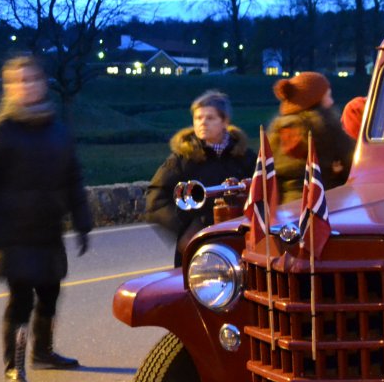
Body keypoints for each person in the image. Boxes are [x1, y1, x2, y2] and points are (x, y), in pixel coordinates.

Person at [0, 55, 93, 382]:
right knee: (21, 301)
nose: (26, 86)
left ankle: (43, 352)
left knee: (50, 293)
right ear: (7, 88)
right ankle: (14, 368)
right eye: (18, 81)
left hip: (47, 231)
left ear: (43, 83)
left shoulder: (58, 131)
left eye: (32, 79)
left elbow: (72, 177)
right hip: (11, 234)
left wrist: (82, 222)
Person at [144, 90, 256, 267]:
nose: (202, 123)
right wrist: (184, 229)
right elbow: (155, 198)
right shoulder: (182, 159)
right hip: (198, 249)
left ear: (225, 121)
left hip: (238, 243)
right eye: (198, 118)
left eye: (210, 118)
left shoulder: (244, 157)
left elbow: (263, 195)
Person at [268, 72, 353, 202]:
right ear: (315, 100)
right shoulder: (325, 126)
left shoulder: (276, 132)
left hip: (287, 204)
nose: (331, 101)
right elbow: (351, 164)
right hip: (322, 202)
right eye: (328, 96)